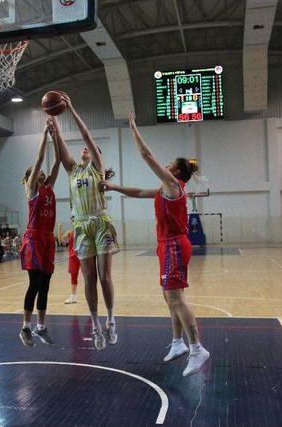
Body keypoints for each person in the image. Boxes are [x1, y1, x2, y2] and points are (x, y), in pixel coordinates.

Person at [101, 111, 210, 376]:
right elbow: (138, 192)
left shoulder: (173, 185)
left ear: (177, 172)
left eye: (171, 163)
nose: (166, 164)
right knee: (168, 295)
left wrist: (134, 128)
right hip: (166, 244)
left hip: (174, 244)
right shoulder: (165, 189)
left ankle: (197, 349)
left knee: (176, 297)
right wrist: (114, 187)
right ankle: (177, 343)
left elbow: (147, 156)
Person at [52, 93, 120, 350]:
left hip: (101, 223)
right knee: (88, 277)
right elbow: (61, 150)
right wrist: (55, 128)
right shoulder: (72, 170)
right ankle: (95, 324)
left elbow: (86, 135)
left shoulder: (97, 169)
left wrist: (70, 108)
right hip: (80, 226)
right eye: (83, 149)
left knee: (104, 275)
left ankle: (111, 320)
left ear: (95, 154)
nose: (85, 149)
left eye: (90, 148)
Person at [18, 118, 60, 347]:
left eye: (42, 172)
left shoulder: (48, 188)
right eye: (37, 172)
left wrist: (57, 136)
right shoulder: (32, 188)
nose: (42, 173)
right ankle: (25, 326)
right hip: (34, 238)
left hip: (47, 239)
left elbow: (57, 164)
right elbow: (40, 159)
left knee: (45, 285)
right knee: (34, 284)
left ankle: (41, 327)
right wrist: (44, 135)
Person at [58, 225, 80, 304]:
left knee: (88, 276)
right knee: (73, 276)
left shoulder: (83, 231)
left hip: (82, 256)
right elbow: (60, 241)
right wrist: (59, 228)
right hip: (73, 257)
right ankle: (73, 297)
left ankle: (91, 296)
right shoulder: (70, 233)